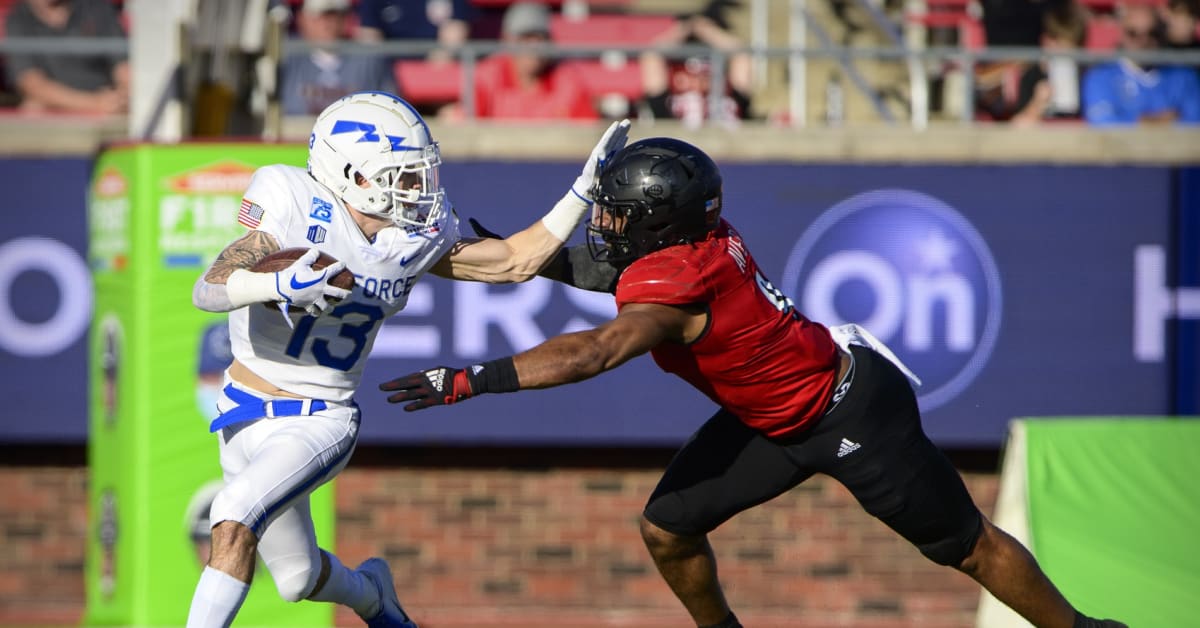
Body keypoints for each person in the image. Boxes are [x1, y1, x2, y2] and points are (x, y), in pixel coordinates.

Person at [382, 137, 1128, 628]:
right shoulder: (698, 238)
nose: (603, 222)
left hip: (845, 411)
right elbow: (606, 272)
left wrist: (471, 380)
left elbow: (598, 351)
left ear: (659, 222)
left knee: (967, 546)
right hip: (771, 413)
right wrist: (516, 255)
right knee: (668, 530)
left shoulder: (675, 278)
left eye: (618, 212)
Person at [187, 90, 630, 628]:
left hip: (319, 416)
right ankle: (373, 596)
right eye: (404, 175)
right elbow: (208, 288)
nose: (420, 189)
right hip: (242, 405)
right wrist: (276, 282)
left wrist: (582, 191)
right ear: (352, 175)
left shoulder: (411, 240)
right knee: (297, 580)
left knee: (231, 518)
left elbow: (513, 261)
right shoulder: (290, 198)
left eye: (420, 173)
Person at [445, 1, 597, 121]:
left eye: (540, 38)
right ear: (507, 40)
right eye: (525, 38)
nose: (534, 46)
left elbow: (585, 131)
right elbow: (467, 129)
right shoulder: (487, 77)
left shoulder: (566, 79)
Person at [640, 0, 755, 128]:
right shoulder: (672, 67)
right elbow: (651, 54)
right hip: (680, 135)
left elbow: (741, 53)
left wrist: (706, 30)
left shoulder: (726, 68)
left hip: (724, 133)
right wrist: (686, 28)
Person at [1082, 1, 1200, 125]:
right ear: (1121, 35)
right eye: (1133, 33)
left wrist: (1134, 121)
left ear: (1162, 34)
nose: (1144, 41)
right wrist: (1154, 122)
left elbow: (1194, 121)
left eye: (1152, 33)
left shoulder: (1185, 77)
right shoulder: (1099, 78)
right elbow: (1102, 123)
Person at [3, 0, 130, 114]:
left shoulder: (97, 7)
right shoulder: (18, 18)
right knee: (32, 109)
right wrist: (94, 103)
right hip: (57, 105)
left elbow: (123, 68)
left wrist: (122, 96)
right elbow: (32, 84)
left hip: (106, 100)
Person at [280, 0, 397, 116]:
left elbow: (391, 108)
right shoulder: (287, 57)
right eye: (319, 17)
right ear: (302, 19)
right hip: (298, 132)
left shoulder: (370, 58)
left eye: (335, 16)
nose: (327, 24)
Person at [1010, 1, 1089, 125]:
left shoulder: (1088, 76)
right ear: (1046, 41)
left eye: (1070, 51)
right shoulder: (1032, 76)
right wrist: (1037, 104)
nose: (1064, 56)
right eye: (1059, 48)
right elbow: (1016, 129)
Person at [355, 0, 473, 63]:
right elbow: (369, 34)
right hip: (387, 69)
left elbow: (456, 29)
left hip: (436, 65)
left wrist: (433, 67)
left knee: (451, 109)